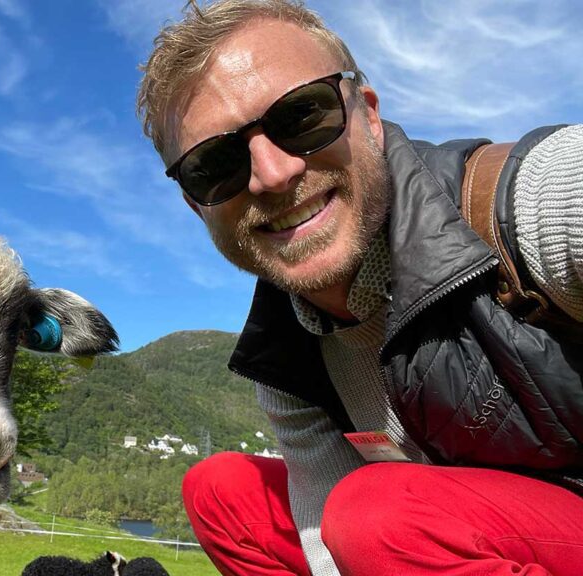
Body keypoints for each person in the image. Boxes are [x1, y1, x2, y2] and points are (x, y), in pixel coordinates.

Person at [135, 1, 583, 575]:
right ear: (196, 204)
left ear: (368, 116)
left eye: (302, 115)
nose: (273, 174)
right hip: (446, 523)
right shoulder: (284, 353)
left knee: (379, 514)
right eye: (214, 163)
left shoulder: (526, 206)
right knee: (222, 491)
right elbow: (325, 542)